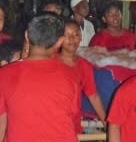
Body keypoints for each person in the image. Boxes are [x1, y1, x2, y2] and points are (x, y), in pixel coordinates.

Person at [0, 13, 80, 141]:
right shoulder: (70, 75)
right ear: (60, 42)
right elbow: (73, 118)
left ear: (26, 35)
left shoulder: (5, 74)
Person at [59, 19, 106, 131]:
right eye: (67, 35)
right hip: (51, 121)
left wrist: (106, 122)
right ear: (59, 38)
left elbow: (93, 96)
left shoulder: (84, 65)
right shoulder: (50, 61)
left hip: (72, 122)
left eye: (76, 35)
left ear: (80, 38)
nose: (72, 39)